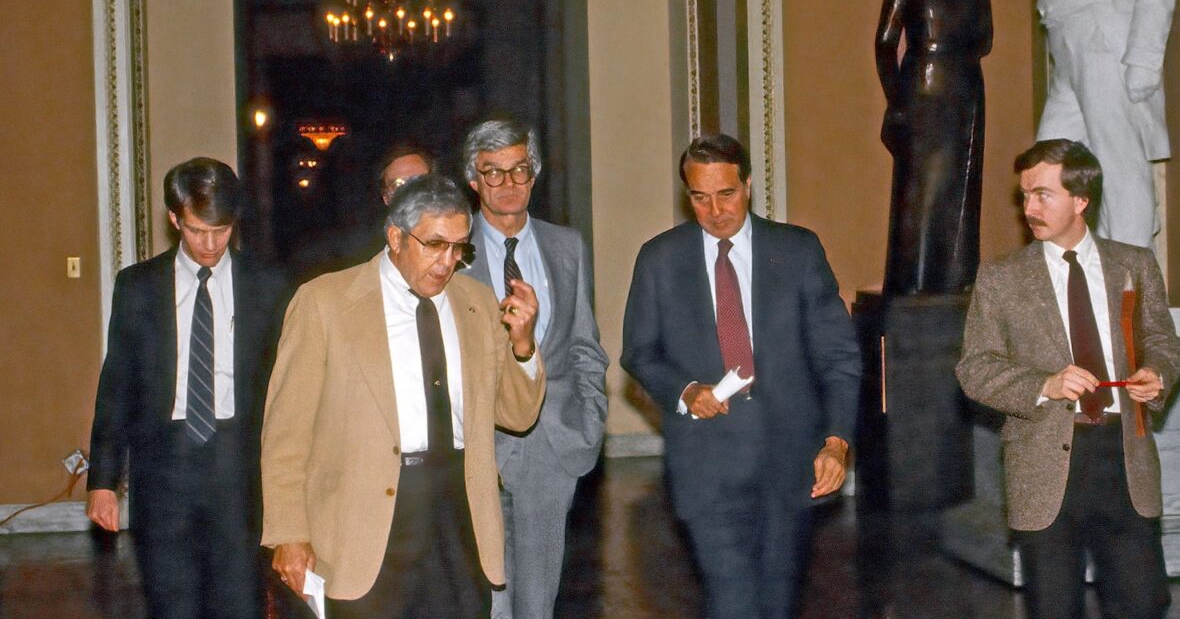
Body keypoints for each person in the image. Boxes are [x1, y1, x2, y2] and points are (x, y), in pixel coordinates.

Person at [260, 173, 546, 619]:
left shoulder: (477, 303)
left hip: (458, 513)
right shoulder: (325, 303)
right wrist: (289, 532)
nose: (447, 262)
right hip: (365, 521)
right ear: (395, 236)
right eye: (434, 244)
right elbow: (286, 433)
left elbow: (517, 414)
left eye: (458, 248)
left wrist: (523, 347)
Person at [620, 133, 861, 619]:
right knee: (731, 601)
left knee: (778, 600)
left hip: (789, 458)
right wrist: (686, 391)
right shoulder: (660, 260)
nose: (715, 210)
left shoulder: (796, 251)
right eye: (699, 197)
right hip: (705, 462)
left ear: (748, 185)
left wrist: (836, 441)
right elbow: (639, 354)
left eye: (726, 194)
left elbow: (839, 356)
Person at [955, 139, 1180, 619]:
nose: (1029, 208)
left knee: (1142, 603)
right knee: (1054, 608)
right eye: (1024, 196)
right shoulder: (1000, 278)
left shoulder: (1135, 264)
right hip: (1045, 464)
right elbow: (974, 369)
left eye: (1043, 195)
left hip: (1125, 461)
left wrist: (1156, 373)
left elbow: (1164, 342)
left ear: (1080, 200)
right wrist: (1044, 384)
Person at [87, 157, 289, 619]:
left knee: (240, 604)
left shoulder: (267, 285)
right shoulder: (137, 287)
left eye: (221, 230)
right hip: (164, 471)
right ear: (175, 218)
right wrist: (102, 480)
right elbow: (116, 384)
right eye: (198, 230)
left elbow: (286, 387)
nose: (211, 244)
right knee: (171, 605)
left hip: (239, 468)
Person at [457, 120, 609, 619]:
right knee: (492, 599)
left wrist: (590, 420)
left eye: (520, 169)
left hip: (553, 442)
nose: (509, 183)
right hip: (481, 444)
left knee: (539, 599)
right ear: (473, 181)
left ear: (535, 173)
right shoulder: (451, 255)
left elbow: (586, 343)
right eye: (494, 173)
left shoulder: (567, 246)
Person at [1036, 0, 1176, 248]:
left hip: (1106, 41)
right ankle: (1069, 279)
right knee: (1049, 166)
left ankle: (1131, 284)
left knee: (1120, 164)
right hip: (1068, 48)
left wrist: (1144, 60)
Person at [875, 0, 992, 296]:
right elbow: (886, 42)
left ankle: (955, 277)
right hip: (921, 87)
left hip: (964, 89)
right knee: (918, 189)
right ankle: (913, 281)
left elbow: (985, 37)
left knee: (960, 187)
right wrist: (897, 102)